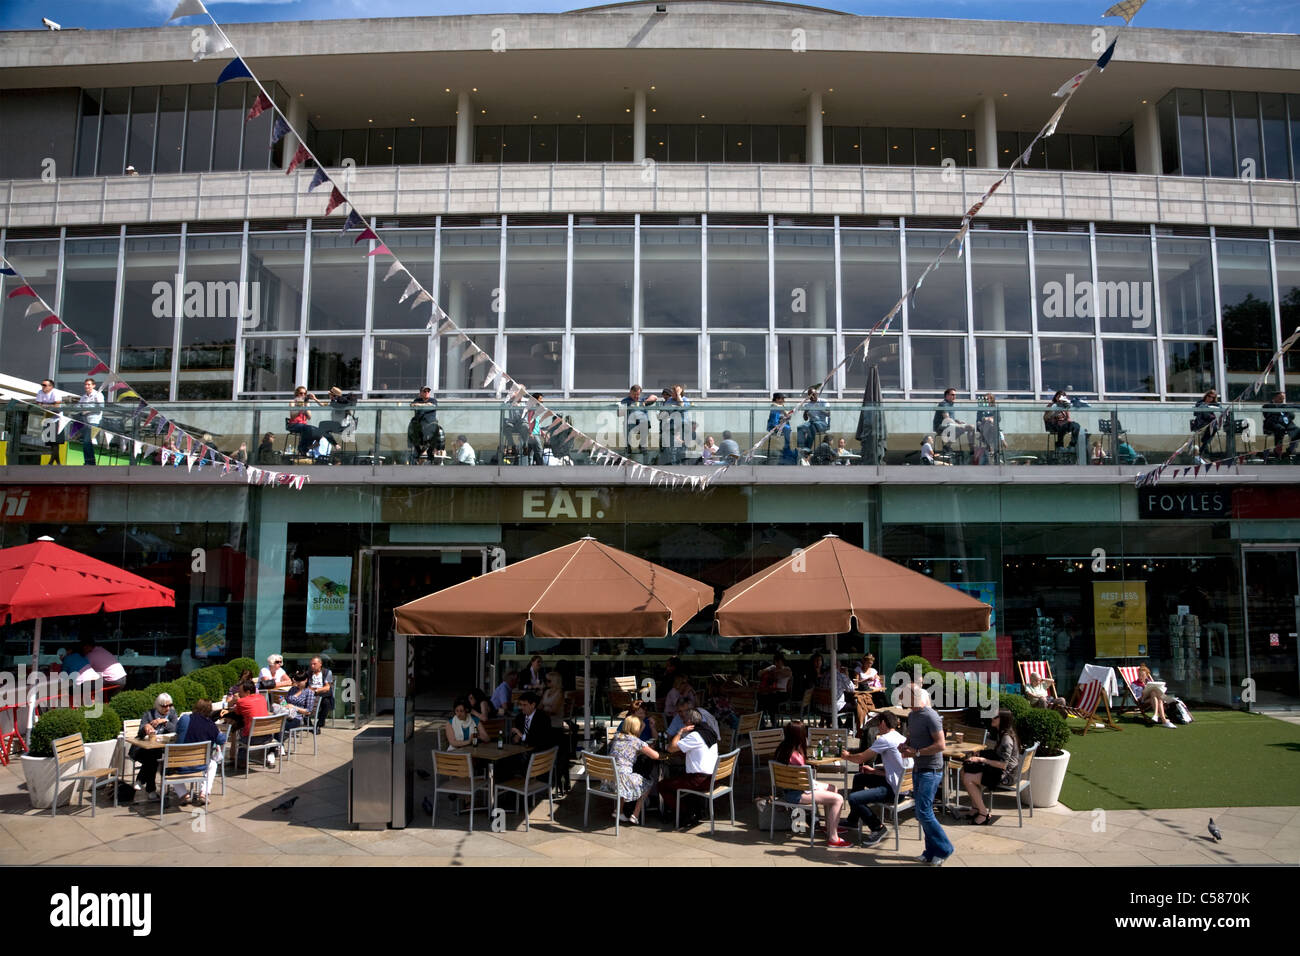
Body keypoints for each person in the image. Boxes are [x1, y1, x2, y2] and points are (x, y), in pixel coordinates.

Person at [899, 682, 952, 865]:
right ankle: (930, 852)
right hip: (919, 768)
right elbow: (914, 737)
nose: (900, 698)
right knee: (923, 813)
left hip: (931, 769)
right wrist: (905, 744)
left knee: (924, 812)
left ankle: (945, 848)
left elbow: (941, 745)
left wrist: (917, 752)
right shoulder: (913, 715)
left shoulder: (931, 716)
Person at [840, 711, 912, 846]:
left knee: (854, 798)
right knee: (859, 778)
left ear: (884, 723)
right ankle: (853, 820)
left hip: (894, 791)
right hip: (903, 787)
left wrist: (847, 756)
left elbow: (861, 758)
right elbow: (897, 770)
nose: (877, 727)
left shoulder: (885, 739)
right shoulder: (900, 737)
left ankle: (877, 828)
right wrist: (873, 771)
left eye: (878, 723)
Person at [773, 721, 849, 847]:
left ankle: (830, 826)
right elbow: (806, 784)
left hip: (790, 790)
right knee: (838, 799)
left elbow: (802, 780)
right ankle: (833, 838)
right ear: (800, 735)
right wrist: (818, 788)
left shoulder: (782, 749)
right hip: (796, 794)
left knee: (832, 788)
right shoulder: (796, 756)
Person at [659, 708, 719, 828]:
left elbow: (671, 748)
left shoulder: (695, 736)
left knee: (662, 785)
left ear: (690, 722)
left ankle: (685, 814)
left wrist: (680, 732)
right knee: (678, 777)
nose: (683, 723)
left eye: (684, 721)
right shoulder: (709, 731)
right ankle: (694, 810)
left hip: (699, 780)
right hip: (712, 777)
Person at [960, 708, 1021, 826]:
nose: (992, 718)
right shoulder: (1003, 733)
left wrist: (981, 759)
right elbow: (997, 755)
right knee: (964, 770)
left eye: (995, 717)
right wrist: (980, 754)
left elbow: (1003, 765)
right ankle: (975, 808)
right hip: (999, 771)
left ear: (1002, 720)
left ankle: (983, 813)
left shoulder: (1006, 739)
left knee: (968, 778)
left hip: (1006, 776)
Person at [169, 698, 227, 807]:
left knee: (168, 766)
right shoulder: (211, 725)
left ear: (195, 708)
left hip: (180, 764)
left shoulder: (185, 719)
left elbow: (177, 731)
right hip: (200, 765)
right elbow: (222, 740)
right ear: (209, 711)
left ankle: (183, 795)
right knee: (213, 764)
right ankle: (203, 793)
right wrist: (218, 732)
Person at [604, 715, 659, 824]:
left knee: (624, 780)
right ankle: (635, 814)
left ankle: (618, 811)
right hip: (622, 781)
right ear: (637, 728)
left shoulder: (617, 738)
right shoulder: (636, 742)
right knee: (648, 781)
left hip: (609, 780)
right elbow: (655, 756)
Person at [132, 692, 178, 792]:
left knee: (153, 756)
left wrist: (164, 721)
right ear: (158, 706)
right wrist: (145, 728)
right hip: (143, 749)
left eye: (170, 705)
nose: (168, 708)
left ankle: (141, 780)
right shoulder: (148, 714)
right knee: (152, 756)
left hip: (163, 749)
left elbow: (175, 729)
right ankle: (150, 789)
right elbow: (140, 734)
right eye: (165, 706)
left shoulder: (172, 714)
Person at [232, 679, 279, 767]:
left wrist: (235, 700)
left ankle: (241, 761)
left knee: (241, 733)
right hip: (268, 737)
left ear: (248, 692)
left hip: (251, 740)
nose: (239, 694)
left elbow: (237, 712)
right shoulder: (262, 697)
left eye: (240, 692)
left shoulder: (241, 701)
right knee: (247, 729)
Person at [932, 387, 976, 455]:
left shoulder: (951, 404)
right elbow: (947, 419)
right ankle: (947, 446)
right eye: (952, 394)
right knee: (964, 427)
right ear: (947, 395)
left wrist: (958, 422)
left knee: (971, 427)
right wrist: (958, 425)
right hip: (940, 427)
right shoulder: (943, 404)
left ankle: (972, 449)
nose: (954, 396)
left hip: (949, 426)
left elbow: (951, 419)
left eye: (955, 395)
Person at [620, 384, 658, 458]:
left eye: (638, 394)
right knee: (626, 424)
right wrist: (628, 408)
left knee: (645, 423)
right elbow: (619, 414)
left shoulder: (642, 399)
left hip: (642, 422)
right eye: (634, 394)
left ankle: (642, 445)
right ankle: (628, 446)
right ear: (630, 392)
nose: (636, 396)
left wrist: (645, 402)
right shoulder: (625, 401)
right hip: (631, 423)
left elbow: (655, 397)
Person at [1133, 663, 1176, 728]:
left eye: (1142, 675)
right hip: (1142, 699)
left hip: (1151, 698)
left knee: (1155, 695)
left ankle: (1158, 717)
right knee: (1155, 692)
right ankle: (1163, 719)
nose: (1140, 677)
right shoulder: (1134, 684)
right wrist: (1143, 692)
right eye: (1139, 675)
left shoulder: (1149, 682)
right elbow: (1137, 697)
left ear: (1146, 676)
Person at [407, 386, 443, 464]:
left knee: (437, 431)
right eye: (424, 391)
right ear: (420, 393)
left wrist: (420, 405)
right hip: (418, 424)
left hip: (430, 423)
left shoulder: (433, 400)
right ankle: (416, 453)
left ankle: (430, 454)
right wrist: (424, 405)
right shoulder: (417, 400)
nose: (426, 393)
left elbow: (432, 405)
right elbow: (412, 405)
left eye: (428, 391)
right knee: (412, 429)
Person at [757, 651, 793, 725]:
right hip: (772, 692)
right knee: (761, 698)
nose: (777, 664)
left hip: (783, 693)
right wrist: (765, 671)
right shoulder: (773, 667)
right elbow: (759, 673)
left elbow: (782, 674)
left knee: (768, 700)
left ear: (782, 661)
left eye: (778, 661)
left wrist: (772, 672)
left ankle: (772, 721)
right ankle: (763, 721)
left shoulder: (787, 669)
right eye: (775, 662)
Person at [287, 385, 323, 457]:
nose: (303, 395)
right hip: (294, 424)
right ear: (297, 394)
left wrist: (306, 405)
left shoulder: (306, 403)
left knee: (318, 431)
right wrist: (300, 407)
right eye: (301, 393)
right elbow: (292, 416)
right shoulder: (293, 402)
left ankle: (306, 448)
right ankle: (302, 448)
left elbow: (309, 417)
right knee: (307, 429)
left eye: (304, 393)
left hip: (304, 426)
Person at [76, 378, 104, 466]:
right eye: (85, 384)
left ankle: (90, 462)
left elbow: (101, 407)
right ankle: (89, 461)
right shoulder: (83, 396)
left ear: (93, 385)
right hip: (85, 421)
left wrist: (87, 411)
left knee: (87, 441)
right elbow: (77, 407)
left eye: (89, 384)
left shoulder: (98, 395)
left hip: (94, 421)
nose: (87, 386)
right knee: (86, 441)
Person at [1262, 391, 1299, 457]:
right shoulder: (1267, 406)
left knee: (1297, 431)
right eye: (1280, 398)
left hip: (1286, 423)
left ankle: (1289, 451)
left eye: (1283, 399)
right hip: (1273, 424)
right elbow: (1268, 416)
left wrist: (1286, 417)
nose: (1282, 400)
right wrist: (1280, 413)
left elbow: (1292, 415)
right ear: (1275, 398)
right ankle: (1277, 451)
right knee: (1280, 429)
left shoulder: (1285, 406)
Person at [797, 386, 830, 452]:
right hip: (811, 422)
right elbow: (805, 419)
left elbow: (828, 413)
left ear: (816, 394)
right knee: (800, 427)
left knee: (812, 427)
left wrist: (820, 409)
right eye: (810, 395)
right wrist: (806, 412)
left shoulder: (823, 402)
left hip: (822, 423)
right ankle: (801, 447)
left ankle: (807, 449)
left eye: (813, 395)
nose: (812, 397)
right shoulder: (808, 404)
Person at [975, 393, 1004, 464]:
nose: (987, 400)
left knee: (990, 422)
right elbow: (978, 420)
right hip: (983, 427)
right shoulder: (981, 409)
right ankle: (990, 447)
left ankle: (988, 446)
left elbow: (998, 419)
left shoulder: (995, 408)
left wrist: (989, 418)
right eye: (985, 399)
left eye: (988, 399)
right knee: (988, 422)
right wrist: (984, 420)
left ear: (992, 400)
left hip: (992, 428)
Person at [307, 656, 333, 732]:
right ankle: (308, 724)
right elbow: (305, 686)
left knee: (326, 703)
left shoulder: (327, 672)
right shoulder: (308, 673)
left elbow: (327, 687)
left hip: (323, 694)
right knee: (304, 701)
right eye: (311, 664)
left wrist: (316, 690)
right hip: (310, 694)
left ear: (320, 664)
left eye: (314, 664)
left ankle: (319, 724)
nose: (312, 666)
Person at [766, 392, 794, 462]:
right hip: (774, 427)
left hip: (782, 427)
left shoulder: (781, 407)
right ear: (777, 399)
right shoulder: (774, 405)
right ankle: (787, 449)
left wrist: (786, 417)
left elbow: (787, 416)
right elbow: (776, 407)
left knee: (788, 428)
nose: (783, 401)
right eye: (782, 399)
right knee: (787, 429)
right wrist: (785, 413)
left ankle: (787, 448)